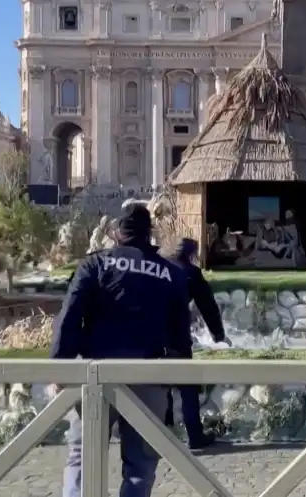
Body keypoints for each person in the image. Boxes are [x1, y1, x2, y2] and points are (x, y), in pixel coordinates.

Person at [51, 204, 192, 497]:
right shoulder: (172, 273)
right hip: (149, 376)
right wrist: (180, 377)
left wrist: (59, 366)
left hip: (96, 376)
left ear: (116, 233)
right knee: (140, 467)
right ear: (149, 233)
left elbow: (69, 319)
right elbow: (181, 334)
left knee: (82, 458)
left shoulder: (94, 265)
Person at [165, 237, 230, 449]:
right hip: (178, 336)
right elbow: (207, 306)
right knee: (188, 387)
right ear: (192, 255)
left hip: (153, 336)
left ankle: (160, 434)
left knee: (159, 384)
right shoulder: (191, 273)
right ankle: (194, 435)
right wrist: (218, 335)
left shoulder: (158, 266)